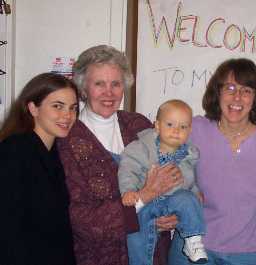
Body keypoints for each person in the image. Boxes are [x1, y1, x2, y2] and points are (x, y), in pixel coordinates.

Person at [57, 45, 181, 265]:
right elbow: (80, 220)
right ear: (83, 88)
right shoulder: (67, 140)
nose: (109, 92)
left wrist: (169, 216)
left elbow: (170, 177)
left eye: (116, 83)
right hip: (100, 257)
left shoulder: (139, 125)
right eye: (99, 84)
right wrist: (144, 196)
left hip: (152, 254)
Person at [169, 58, 256, 265]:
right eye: (230, 87)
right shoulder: (193, 129)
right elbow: (160, 165)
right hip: (191, 247)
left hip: (247, 253)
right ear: (218, 92)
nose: (237, 97)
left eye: (247, 90)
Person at [0, 73, 79, 265]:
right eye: (57, 106)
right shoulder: (14, 151)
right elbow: (8, 230)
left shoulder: (54, 151)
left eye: (73, 108)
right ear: (33, 108)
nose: (67, 115)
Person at [118, 99, 207, 265]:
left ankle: (193, 240)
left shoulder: (189, 155)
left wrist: (195, 192)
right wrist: (128, 191)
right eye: (170, 124)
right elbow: (128, 170)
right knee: (137, 232)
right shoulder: (141, 148)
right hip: (146, 202)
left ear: (189, 131)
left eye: (183, 127)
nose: (176, 131)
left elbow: (190, 180)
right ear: (157, 126)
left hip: (173, 200)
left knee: (189, 200)